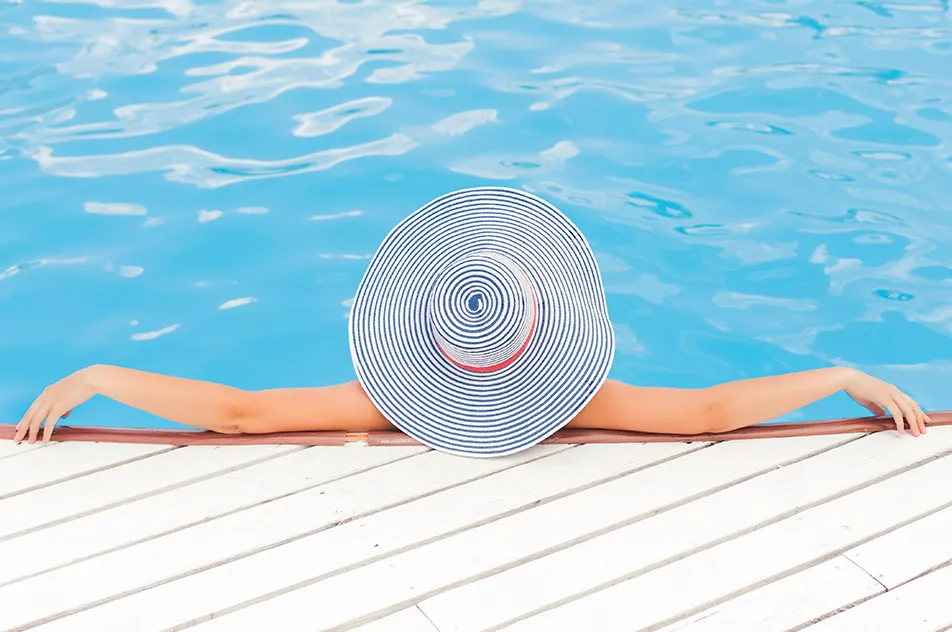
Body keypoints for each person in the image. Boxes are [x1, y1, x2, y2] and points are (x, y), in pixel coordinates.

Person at [13, 188, 930, 451]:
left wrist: (100, 376)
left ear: (423, 335)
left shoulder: (380, 403)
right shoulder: (581, 402)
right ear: (549, 331)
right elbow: (707, 413)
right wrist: (840, 376)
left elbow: (239, 412)